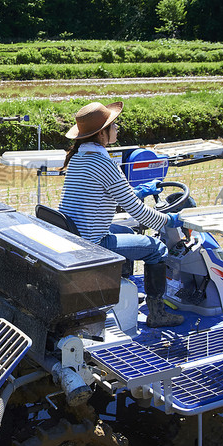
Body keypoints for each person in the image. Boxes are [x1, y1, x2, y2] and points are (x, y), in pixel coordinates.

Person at [58, 101, 184, 328]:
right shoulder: (103, 162)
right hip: (92, 240)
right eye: (113, 125)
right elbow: (137, 211)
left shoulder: (78, 157)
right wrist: (169, 220)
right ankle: (157, 314)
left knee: (126, 230)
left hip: (76, 233)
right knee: (158, 248)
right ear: (101, 133)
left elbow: (108, 194)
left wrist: (142, 190)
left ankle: (121, 293)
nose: (117, 128)